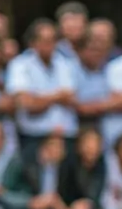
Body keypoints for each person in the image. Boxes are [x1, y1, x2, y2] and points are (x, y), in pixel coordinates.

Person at [6, 19, 78, 163]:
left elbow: (71, 99)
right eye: (44, 40)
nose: (49, 45)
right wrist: (57, 96)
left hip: (65, 135)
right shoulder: (19, 65)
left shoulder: (66, 63)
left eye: (52, 40)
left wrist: (40, 98)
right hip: (33, 136)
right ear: (32, 43)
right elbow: (27, 104)